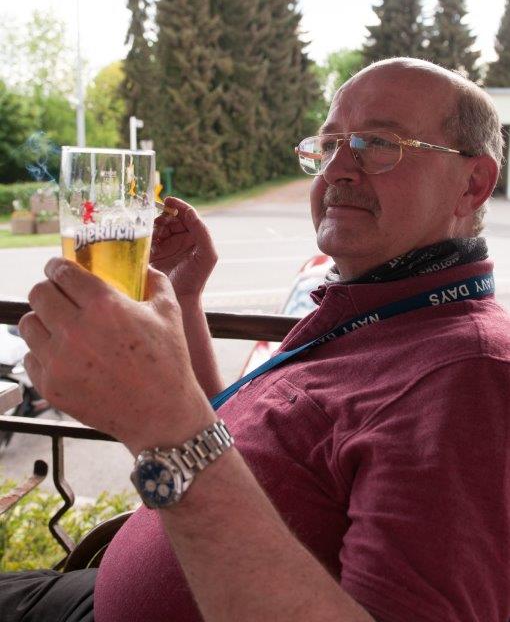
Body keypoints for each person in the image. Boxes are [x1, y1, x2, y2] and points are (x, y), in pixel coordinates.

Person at [2, 57, 509, 622]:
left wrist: (163, 429)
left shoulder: (471, 377)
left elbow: (192, 442)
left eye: (377, 143)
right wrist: (184, 297)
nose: (337, 169)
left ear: (473, 184)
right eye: (329, 144)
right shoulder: (376, 307)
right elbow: (239, 450)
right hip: (97, 593)